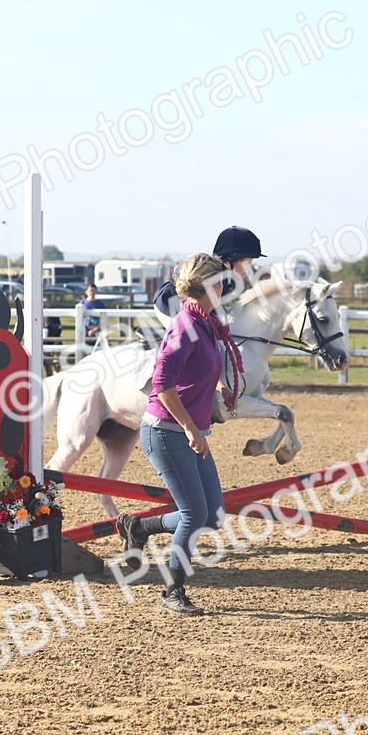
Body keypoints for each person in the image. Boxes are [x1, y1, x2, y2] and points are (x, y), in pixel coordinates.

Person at [117, 253, 243, 616]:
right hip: (167, 432)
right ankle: (173, 592)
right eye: (218, 282)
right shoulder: (185, 325)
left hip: (190, 431)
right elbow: (162, 384)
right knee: (193, 513)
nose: (223, 287)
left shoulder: (206, 323)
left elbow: (202, 368)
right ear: (203, 287)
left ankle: (139, 526)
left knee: (214, 515)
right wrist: (190, 428)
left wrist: (219, 389)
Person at [152, 226, 266, 327]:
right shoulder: (211, 273)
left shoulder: (228, 278)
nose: (248, 269)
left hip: (186, 303)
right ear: (229, 260)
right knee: (199, 336)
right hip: (169, 302)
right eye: (247, 263)